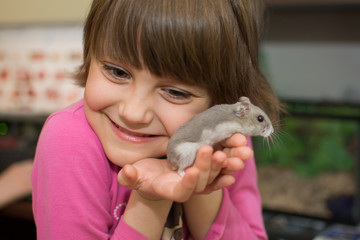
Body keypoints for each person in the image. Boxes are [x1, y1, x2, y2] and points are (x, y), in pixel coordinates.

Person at [31, 0, 281, 239]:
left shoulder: (226, 144)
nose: (133, 113)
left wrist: (200, 187)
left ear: (219, 102)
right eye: (117, 72)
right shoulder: (69, 141)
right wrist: (150, 201)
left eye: (175, 92)